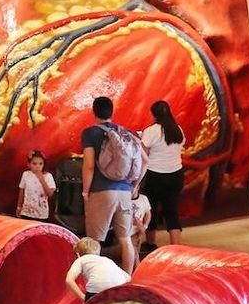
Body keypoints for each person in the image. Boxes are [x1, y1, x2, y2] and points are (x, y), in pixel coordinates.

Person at [80, 96, 146, 274]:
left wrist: (86, 191)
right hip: (124, 191)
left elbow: (89, 165)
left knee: (94, 240)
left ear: (94, 112)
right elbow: (145, 161)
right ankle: (127, 277)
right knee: (125, 238)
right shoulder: (127, 133)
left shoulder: (90, 133)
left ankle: (96, 278)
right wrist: (134, 185)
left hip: (102, 191)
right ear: (112, 112)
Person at [140, 100, 186, 248]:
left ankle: (151, 243)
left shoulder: (151, 131)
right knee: (172, 210)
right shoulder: (177, 130)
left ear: (154, 114)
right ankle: (176, 246)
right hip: (176, 175)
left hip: (155, 176)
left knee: (151, 209)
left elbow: (144, 156)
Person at [65, 238, 130, 302]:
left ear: (77, 254)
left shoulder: (81, 259)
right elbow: (128, 278)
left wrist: (83, 297)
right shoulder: (107, 260)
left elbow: (69, 280)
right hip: (118, 290)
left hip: (96, 291)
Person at [16, 150, 56, 220]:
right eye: (34, 164)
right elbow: (21, 190)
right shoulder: (26, 174)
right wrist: (19, 206)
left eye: (40, 164)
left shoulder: (48, 176)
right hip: (26, 212)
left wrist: (42, 180)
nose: (38, 166)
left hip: (41, 214)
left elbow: (50, 194)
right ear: (29, 164)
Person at [130, 188, 152, 267]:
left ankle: (133, 263)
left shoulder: (143, 198)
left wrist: (144, 226)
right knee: (133, 248)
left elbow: (148, 214)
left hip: (139, 229)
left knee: (137, 247)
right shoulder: (124, 199)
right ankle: (137, 265)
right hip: (128, 230)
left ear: (138, 187)